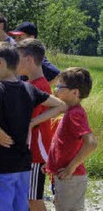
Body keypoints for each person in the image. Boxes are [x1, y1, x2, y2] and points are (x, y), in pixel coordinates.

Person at [0, 43, 67, 211]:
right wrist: (32, 122)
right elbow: (61, 106)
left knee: (2, 206)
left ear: (1, 63)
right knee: (21, 207)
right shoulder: (29, 88)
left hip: (2, 163)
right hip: (23, 163)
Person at [46, 67, 98, 211]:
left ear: (74, 92)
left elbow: (91, 143)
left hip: (71, 178)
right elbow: (63, 144)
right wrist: (50, 163)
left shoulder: (75, 114)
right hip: (67, 177)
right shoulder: (70, 111)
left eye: (59, 86)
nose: (55, 90)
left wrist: (70, 168)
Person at [14, 39, 53, 211]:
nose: (14, 62)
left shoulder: (40, 87)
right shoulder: (30, 84)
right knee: (26, 198)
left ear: (29, 59)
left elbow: (27, 120)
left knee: (33, 199)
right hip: (28, 152)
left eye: (18, 57)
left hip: (36, 154)